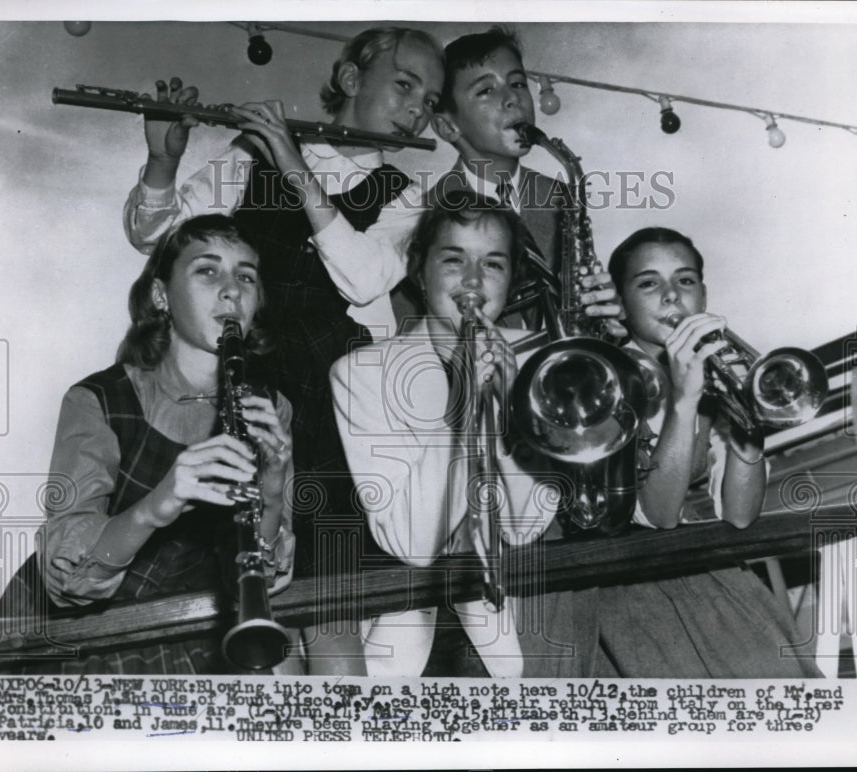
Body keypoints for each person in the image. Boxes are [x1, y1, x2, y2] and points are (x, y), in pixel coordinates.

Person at [122, 27, 445, 673]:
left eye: (431, 99)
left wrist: (293, 165)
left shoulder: (405, 197)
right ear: (351, 79)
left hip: (335, 417)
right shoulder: (249, 156)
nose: (418, 108)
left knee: (330, 611)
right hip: (246, 396)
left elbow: (366, 277)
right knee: (251, 611)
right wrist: (164, 160)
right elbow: (155, 237)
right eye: (405, 83)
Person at [0, 214, 295, 674]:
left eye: (246, 276)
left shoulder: (272, 409)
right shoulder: (97, 400)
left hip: (185, 630)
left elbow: (259, 579)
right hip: (69, 634)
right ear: (160, 296)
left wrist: (272, 491)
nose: (231, 289)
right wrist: (157, 505)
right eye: (207, 270)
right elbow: (67, 584)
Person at [330, 191, 579, 677]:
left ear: (511, 280)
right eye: (453, 260)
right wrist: (462, 406)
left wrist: (514, 411)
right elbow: (411, 543)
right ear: (419, 273)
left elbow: (523, 526)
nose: (472, 281)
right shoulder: (360, 373)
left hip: (521, 627)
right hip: (410, 636)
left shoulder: (541, 363)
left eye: (492, 264)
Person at [590, 226, 823, 677]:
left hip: (706, 576)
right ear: (620, 302)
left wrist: (748, 420)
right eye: (648, 283)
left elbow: (738, 514)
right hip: (626, 594)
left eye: (685, 280)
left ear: (704, 292)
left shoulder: (711, 371)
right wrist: (684, 402)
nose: (672, 297)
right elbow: (657, 514)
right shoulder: (602, 375)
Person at [425, 26, 627, 338]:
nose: (512, 99)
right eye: (486, 90)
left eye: (518, 83)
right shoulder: (424, 211)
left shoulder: (559, 196)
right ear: (447, 126)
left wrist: (600, 317)